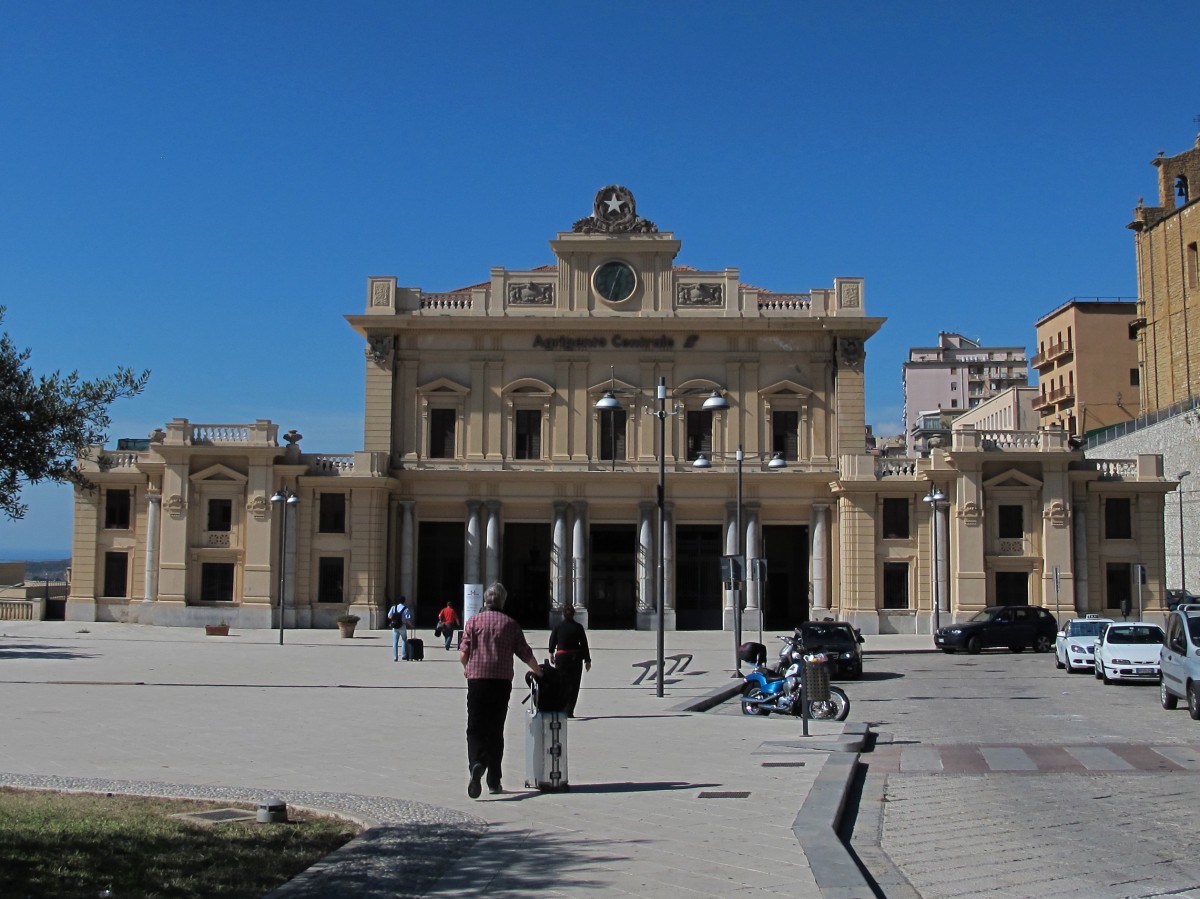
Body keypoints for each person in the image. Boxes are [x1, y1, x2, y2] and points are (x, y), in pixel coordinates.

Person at [459, 582, 541, 798]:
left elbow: (462, 653)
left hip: (477, 681)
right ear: (503, 601)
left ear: (485, 600)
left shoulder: (473, 621)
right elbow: (525, 653)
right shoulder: (510, 624)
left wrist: (468, 669)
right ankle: (494, 780)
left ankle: (476, 762)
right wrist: (539, 672)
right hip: (500, 683)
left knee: (475, 728)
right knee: (495, 730)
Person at [548, 604, 591, 717]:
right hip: (575, 658)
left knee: (562, 683)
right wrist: (587, 660)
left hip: (561, 659)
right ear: (574, 614)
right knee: (574, 684)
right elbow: (584, 644)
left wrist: (551, 652)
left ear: (563, 614)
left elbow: (552, 640)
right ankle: (569, 709)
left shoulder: (558, 626)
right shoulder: (578, 627)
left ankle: (561, 707)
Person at [388, 596, 413, 661]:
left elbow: (389, 616)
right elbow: (407, 619)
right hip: (402, 626)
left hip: (395, 626)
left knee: (395, 642)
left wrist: (394, 620)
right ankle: (404, 655)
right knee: (404, 640)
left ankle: (395, 657)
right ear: (404, 601)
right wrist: (411, 625)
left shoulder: (394, 607)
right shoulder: (405, 609)